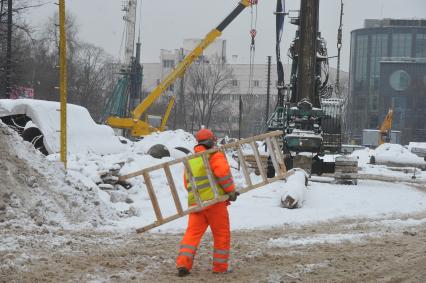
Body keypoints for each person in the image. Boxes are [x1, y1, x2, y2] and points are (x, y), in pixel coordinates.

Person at [176, 128, 239, 277]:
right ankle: (219, 267)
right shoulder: (214, 155)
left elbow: (187, 184)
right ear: (211, 141)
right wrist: (230, 191)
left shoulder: (191, 159)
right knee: (221, 235)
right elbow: (223, 174)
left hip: (196, 204)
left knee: (191, 235)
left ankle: (183, 265)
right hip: (214, 203)